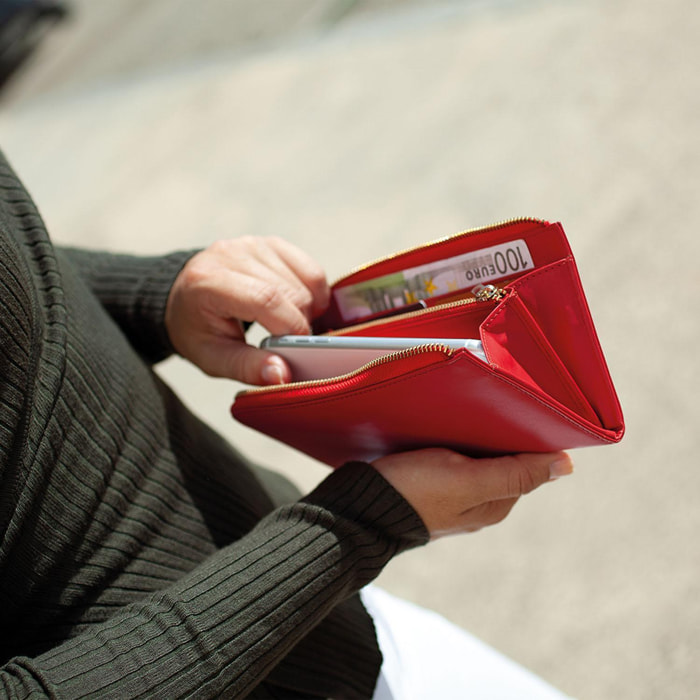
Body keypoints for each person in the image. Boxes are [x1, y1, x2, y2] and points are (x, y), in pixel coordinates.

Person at [0, 148, 574, 699]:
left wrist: (157, 294)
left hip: (319, 602)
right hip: (296, 592)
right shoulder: (340, 536)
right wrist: (350, 531)